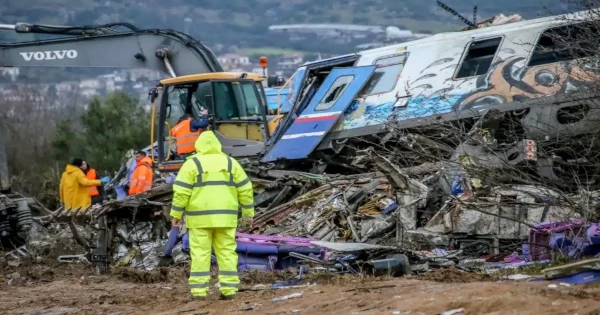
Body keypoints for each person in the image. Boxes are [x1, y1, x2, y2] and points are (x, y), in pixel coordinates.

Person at [170, 131, 254, 300]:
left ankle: (199, 292)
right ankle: (229, 290)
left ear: (198, 146)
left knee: (200, 254)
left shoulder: (192, 164)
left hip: (200, 219)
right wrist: (247, 214)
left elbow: (181, 192)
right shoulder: (231, 163)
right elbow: (245, 189)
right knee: (227, 252)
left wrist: (176, 214)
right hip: (226, 218)